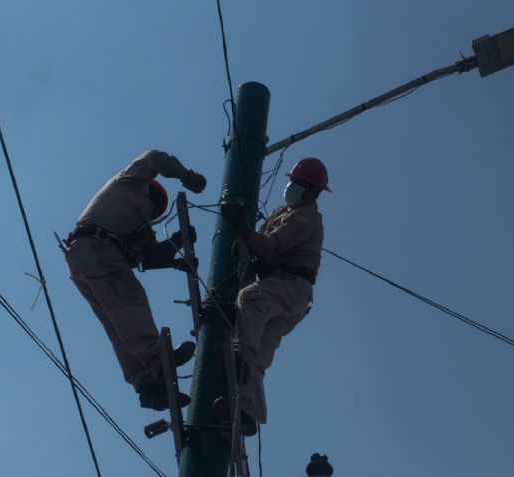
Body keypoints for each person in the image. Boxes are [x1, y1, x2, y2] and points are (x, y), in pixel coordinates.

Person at [64, 150, 207, 411]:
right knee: (131, 304)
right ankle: (158, 359)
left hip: (83, 256)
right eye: (151, 209)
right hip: (97, 247)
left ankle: (147, 385)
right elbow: (155, 157)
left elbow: (149, 258)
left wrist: (177, 247)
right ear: (150, 194)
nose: (149, 214)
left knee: (117, 323)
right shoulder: (130, 182)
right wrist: (187, 176)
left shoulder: (132, 223)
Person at [219, 157, 330, 434]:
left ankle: (238, 356)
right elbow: (262, 246)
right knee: (259, 355)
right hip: (285, 290)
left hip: (291, 287)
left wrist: (242, 230)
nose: (292, 187)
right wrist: (247, 246)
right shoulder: (283, 211)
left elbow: (270, 247)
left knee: (251, 299)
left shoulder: (306, 217)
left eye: (300, 184)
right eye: (293, 181)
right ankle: (246, 411)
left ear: (313, 192)